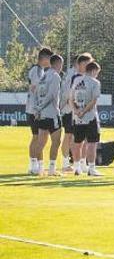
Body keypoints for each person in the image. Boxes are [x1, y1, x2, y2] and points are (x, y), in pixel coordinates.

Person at [60, 53, 92, 173]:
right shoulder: (72, 75)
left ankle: (82, 163)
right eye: (87, 63)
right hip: (70, 110)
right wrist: (65, 107)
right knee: (69, 136)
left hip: (80, 110)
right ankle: (65, 163)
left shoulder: (82, 75)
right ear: (78, 63)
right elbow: (67, 93)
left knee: (81, 137)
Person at [33, 54, 64, 176]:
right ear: (58, 64)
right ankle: (51, 169)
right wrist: (40, 107)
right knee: (56, 142)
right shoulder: (55, 76)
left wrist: (37, 109)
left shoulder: (43, 76)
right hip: (52, 114)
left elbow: (36, 94)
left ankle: (39, 168)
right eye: (61, 64)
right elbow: (51, 95)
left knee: (40, 142)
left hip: (42, 114)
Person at [71, 61, 102, 177]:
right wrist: (83, 111)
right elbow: (93, 101)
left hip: (77, 117)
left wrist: (76, 111)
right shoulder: (95, 82)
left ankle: (77, 167)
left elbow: (70, 98)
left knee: (77, 142)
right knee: (92, 143)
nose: (97, 75)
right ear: (93, 71)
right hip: (90, 117)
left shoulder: (76, 80)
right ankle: (92, 168)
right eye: (97, 73)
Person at [26, 47, 53, 175]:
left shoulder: (39, 70)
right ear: (44, 59)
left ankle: (33, 165)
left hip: (34, 108)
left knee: (36, 137)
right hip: (35, 109)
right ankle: (36, 165)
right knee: (38, 137)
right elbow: (36, 88)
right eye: (50, 59)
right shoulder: (37, 70)